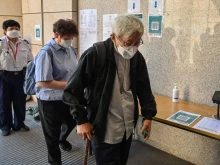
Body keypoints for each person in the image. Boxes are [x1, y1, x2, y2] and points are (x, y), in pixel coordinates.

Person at [63, 14, 157, 165]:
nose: (132, 47)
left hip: (127, 127)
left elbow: (144, 88)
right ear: (114, 37)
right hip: (104, 127)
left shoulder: (137, 58)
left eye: (137, 42)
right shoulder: (95, 54)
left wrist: (148, 116)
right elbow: (72, 90)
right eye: (128, 42)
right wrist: (81, 120)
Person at [35, 19, 78, 165]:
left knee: (73, 121)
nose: (70, 41)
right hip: (50, 100)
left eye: (72, 38)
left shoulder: (71, 50)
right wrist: (70, 85)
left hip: (68, 97)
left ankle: (62, 138)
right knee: (51, 136)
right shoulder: (46, 52)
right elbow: (42, 82)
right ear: (57, 35)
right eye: (67, 39)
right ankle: (55, 162)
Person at [0, 20, 33, 136]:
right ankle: (5, 126)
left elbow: (30, 60)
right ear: (5, 30)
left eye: (16, 28)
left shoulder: (24, 43)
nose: (14, 31)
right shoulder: (0, 43)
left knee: (20, 101)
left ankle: (19, 124)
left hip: (20, 76)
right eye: (10, 28)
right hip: (4, 76)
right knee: (4, 102)